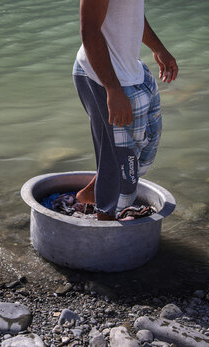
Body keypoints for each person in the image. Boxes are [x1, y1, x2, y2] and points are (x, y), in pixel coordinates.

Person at [73, 0, 178, 221]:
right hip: (102, 78)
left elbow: (132, 14)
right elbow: (89, 30)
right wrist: (113, 89)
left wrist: (157, 47)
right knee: (121, 159)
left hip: (132, 71)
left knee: (146, 143)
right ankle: (105, 224)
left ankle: (93, 192)